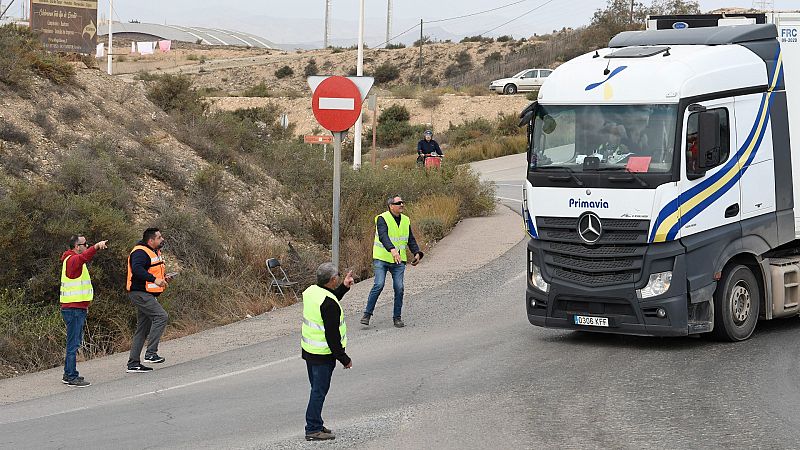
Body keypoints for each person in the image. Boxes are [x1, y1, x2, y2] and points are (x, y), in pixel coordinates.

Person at [301, 262, 355, 441]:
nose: (339, 278)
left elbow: (327, 302)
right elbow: (332, 336)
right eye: (338, 277)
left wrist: (343, 288)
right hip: (323, 355)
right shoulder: (329, 304)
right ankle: (313, 429)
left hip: (310, 352)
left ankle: (316, 422)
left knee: (316, 389)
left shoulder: (312, 292)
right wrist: (344, 358)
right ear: (332, 279)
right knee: (319, 391)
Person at [360, 195, 423, 328]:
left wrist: (417, 253)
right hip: (382, 258)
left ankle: (397, 318)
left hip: (399, 261)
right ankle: (367, 314)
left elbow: (410, 238)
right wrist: (392, 250)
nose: (402, 204)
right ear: (391, 206)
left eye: (402, 202)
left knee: (399, 288)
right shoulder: (382, 218)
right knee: (379, 284)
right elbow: (383, 236)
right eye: (399, 202)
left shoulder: (406, 220)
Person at [59, 235, 108, 387]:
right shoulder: (73, 260)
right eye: (84, 244)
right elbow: (83, 258)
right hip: (73, 309)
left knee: (74, 341)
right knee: (73, 343)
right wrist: (96, 247)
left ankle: (69, 373)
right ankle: (71, 375)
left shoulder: (72, 260)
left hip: (76, 308)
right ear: (76, 246)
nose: (87, 246)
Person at [126, 227, 173, 373]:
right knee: (161, 316)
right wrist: (155, 280)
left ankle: (133, 364)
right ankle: (151, 353)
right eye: (159, 237)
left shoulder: (153, 251)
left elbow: (151, 271)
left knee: (142, 329)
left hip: (146, 293)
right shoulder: (140, 252)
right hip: (140, 293)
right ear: (150, 240)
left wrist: (163, 279)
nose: (162, 239)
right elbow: (137, 270)